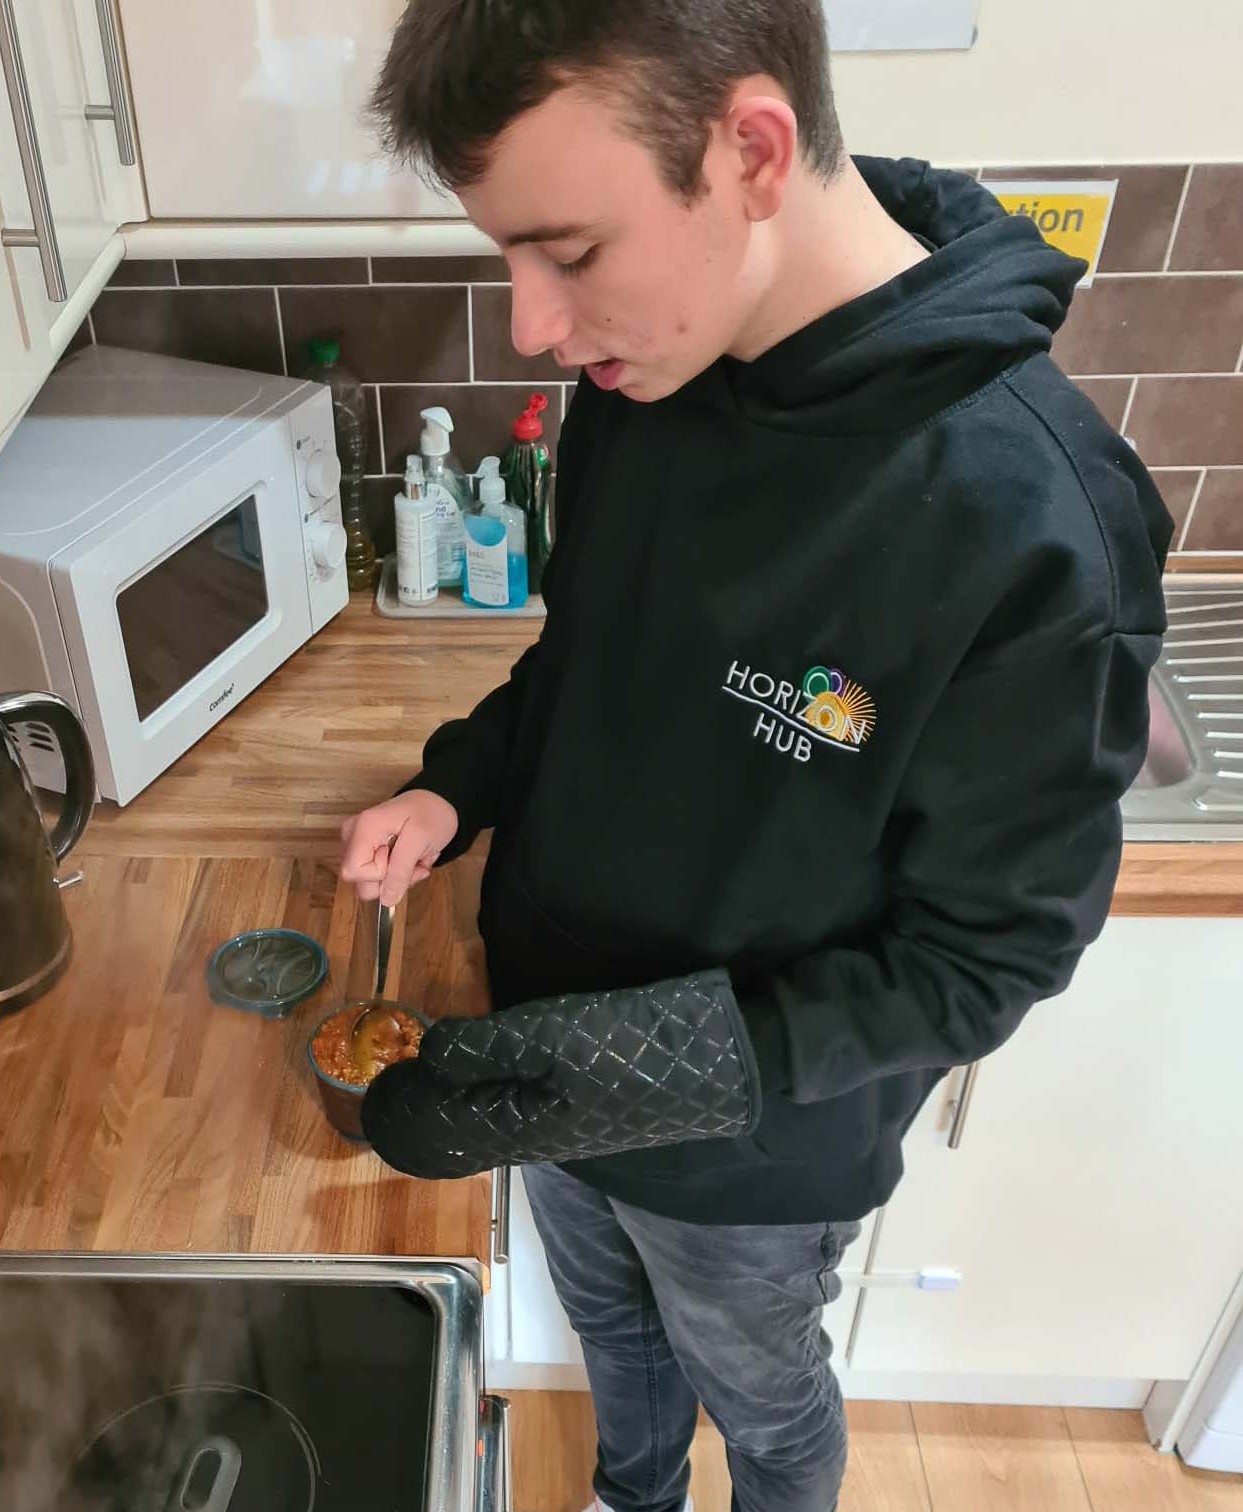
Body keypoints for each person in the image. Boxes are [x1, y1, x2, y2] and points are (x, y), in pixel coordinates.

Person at [339, 3, 1170, 1509]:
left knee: (767, 1406)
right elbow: (586, 668)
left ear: (753, 147)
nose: (531, 322)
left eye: (570, 252)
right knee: (610, 1334)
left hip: (756, 1162)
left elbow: (990, 959)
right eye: (507, 256)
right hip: (541, 1049)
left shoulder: (1030, 517)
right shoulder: (644, 373)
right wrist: (453, 782)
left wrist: (659, 1063)